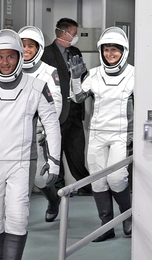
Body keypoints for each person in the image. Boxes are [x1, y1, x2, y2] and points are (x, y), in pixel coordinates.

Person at [0, 29, 61, 260]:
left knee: (17, 219)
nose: (5, 62)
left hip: (20, 163)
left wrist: (54, 162)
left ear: (19, 57)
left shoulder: (37, 86)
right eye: (0, 57)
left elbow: (52, 125)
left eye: (10, 56)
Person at [69, 26, 134, 242]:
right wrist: (75, 78)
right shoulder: (95, 74)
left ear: (123, 51)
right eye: (106, 50)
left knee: (116, 179)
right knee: (98, 181)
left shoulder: (134, 74)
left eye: (115, 50)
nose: (110, 54)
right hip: (97, 134)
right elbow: (78, 98)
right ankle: (106, 225)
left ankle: (127, 215)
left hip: (121, 135)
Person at [41, 18, 92, 195]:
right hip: (56, 112)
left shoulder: (76, 51)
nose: (75, 37)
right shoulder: (46, 54)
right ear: (64, 33)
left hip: (75, 112)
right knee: (56, 150)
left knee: (77, 151)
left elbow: (83, 77)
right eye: (74, 33)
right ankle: (58, 188)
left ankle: (86, 187)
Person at [18, 26, 62, 222]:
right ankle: (17, 219)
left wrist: (45, 129)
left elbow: (56, 103)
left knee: (38, 178)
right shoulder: (11, 69)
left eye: (30, 46)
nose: (26, 50)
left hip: (36, 133)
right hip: (12, 133)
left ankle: (53, 200)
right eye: (22, 45)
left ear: (39, 48)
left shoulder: (49, 72)